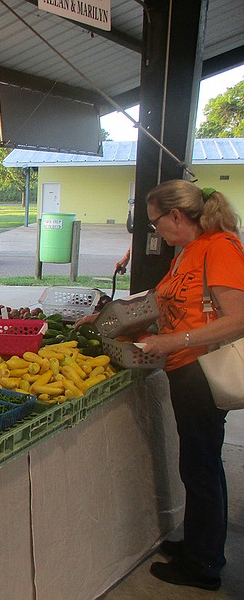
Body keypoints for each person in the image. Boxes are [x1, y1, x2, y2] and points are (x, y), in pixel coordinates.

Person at [137, 180, 244, 591]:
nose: (155, 230)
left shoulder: (220, 247)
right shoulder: (188, 252)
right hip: (186, 370)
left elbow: (237, 318)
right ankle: (202, 545)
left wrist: (173, 341)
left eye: (156, 221)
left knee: (200, 468)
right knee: (200, 465)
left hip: (204, 371)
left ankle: (203, 567)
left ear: (176, 216)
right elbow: (165, 302)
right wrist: (113, 316)